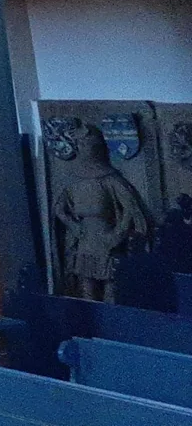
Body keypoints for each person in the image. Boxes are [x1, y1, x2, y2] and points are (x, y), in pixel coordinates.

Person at [56, 125, 152, 302]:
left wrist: (118, 234)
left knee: (111, 290)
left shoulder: (110, 179)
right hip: (85, 240)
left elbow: (130, 208)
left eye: (86, 145)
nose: (83, 149)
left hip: (106, 240)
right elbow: (59, 209)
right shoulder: (74, 182)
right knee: (86, 292)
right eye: (80, 145)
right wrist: (73, 226)